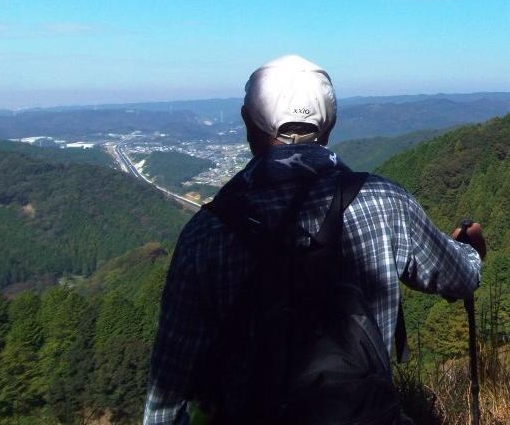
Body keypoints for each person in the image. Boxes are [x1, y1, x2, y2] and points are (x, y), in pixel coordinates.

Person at [144, 54, 485, 425]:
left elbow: (167, 393)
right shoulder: (386, 201)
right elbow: (462, 278)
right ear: (331, 123)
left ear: (247, 123)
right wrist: (470, 249)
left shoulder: (206, 234)